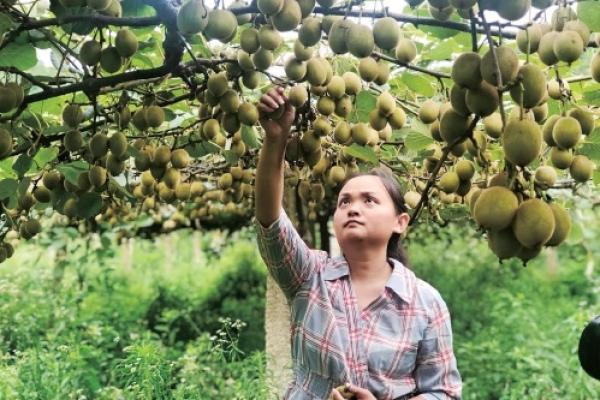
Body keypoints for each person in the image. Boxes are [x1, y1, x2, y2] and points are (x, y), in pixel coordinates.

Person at [254, 87, 462, 400]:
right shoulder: (310, 276)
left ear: (399, 222)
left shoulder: (425, 302)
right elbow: (270, 221)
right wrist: (275, 141)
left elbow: (443, 393)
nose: (353, 208)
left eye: (369, 200)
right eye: (344, 202)